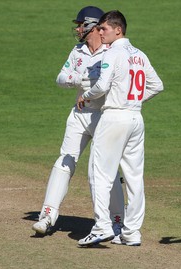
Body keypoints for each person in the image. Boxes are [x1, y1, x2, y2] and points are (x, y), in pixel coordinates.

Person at [32, 6, 125, 236]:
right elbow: (61, 78)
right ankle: (47, 215)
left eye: (81, 24)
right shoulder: (78, 50)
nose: (77, 28)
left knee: (106, 168)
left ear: (93, 25)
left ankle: (117, 220)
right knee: (64, 161)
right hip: (79, 114)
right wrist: (79, 78)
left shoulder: (111, 51)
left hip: (105, 115)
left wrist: (92, 87)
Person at [76, 10, 164, 247]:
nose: (100, 32)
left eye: (104, 28)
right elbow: (157, 85)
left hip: (114, 117)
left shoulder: (112, 52)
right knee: (134, 177)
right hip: (135, 118)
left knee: (99, 173)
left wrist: (86, 94)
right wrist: (133, 100)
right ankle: (132, 233)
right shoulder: (140, 55)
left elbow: (102, 86)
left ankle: (102, 226)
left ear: (118, 29)